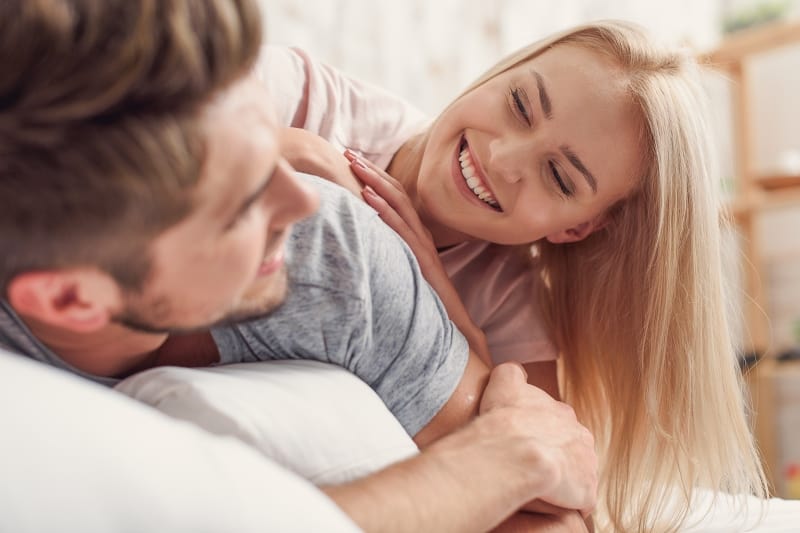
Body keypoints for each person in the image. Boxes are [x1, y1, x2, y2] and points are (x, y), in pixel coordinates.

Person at [0, 0, 597, 531]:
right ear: (71, 299)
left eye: (270, 145)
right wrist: (476, 469)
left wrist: (502, 451)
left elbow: (556, 511)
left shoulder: (338, 253)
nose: (304, 200)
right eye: (242, 206)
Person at [265, 21, 769, 531]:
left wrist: (450, 312)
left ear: (576, 228)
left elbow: (558, 500)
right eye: (521, 105)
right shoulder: (304, 99)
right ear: (502, 72)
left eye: (559, 177)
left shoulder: (506, 296)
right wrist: (308, 159)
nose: (500, 159)